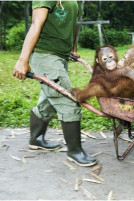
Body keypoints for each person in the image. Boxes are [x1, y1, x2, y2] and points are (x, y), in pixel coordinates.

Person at [13, 1, 96, 167]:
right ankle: (75, 151)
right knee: (69, 99)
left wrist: (72, 49)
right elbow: (37, 23)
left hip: (60, 56)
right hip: (45, 55)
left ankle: (36, 139)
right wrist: (23, 60)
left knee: (49, 100)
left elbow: (73, 25)